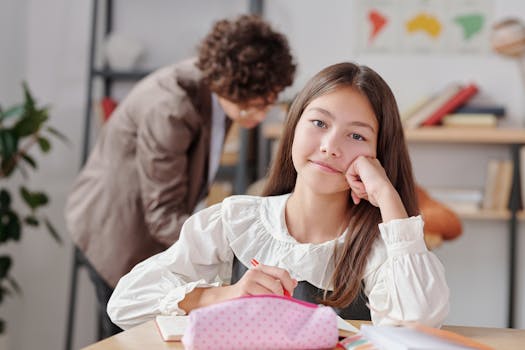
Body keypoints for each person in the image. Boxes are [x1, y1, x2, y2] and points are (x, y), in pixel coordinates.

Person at [107, 62, 449, 330]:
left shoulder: (380, 244)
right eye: (319, 123)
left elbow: (416, 326)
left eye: (356, 136)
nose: (330, 146)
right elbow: (126, 301)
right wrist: (225, 295)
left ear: (379, 152)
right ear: (294, 127)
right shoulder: (236, 221)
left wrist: (387, 195)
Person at [65, 14, 295, 338]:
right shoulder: (171, 107)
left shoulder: (217, 89)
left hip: (142, 223)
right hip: (114, 230)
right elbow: (162, 216)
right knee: (127, 338)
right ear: (237, 85)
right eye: (259, 103)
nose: (261, 115)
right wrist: (227, 253)